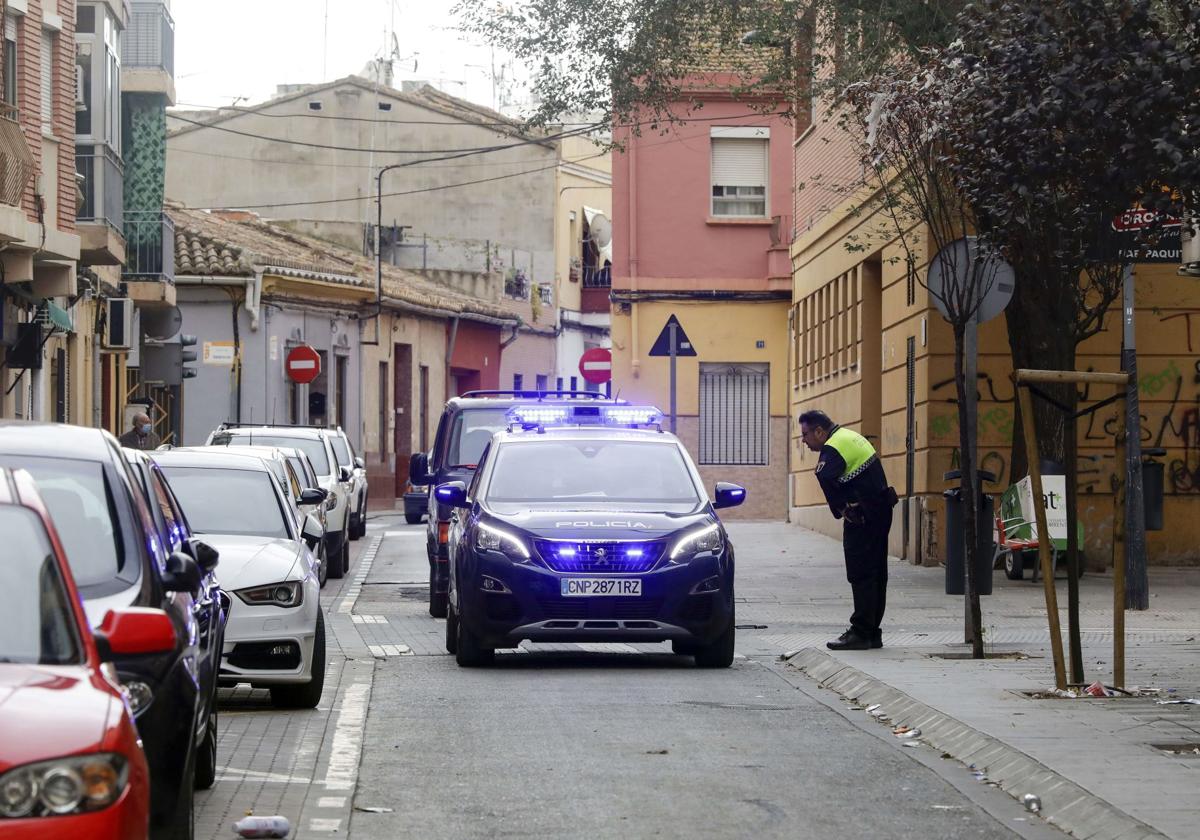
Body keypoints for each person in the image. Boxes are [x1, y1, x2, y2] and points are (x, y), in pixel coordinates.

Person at [798, 410, 898, 651]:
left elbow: (823, 474)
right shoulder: (850, 436)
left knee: (861, 573)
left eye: (805, 434)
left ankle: (861, 632)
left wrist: (843, 507)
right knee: (876, 573)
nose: (803, 440)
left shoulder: (832, 447)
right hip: (881, 509)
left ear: (819, 432)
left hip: (863, 516)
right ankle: (872, 632)